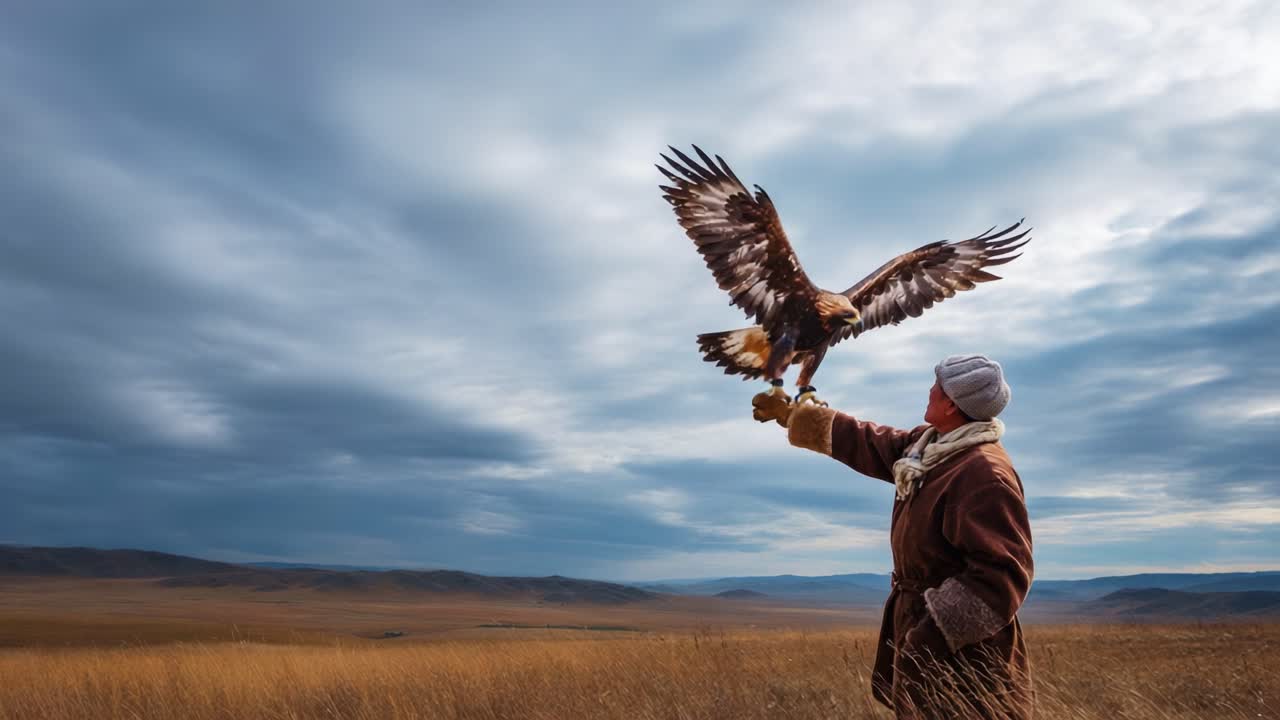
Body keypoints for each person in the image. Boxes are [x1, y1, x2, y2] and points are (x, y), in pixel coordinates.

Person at [751, 354, 1034, 719]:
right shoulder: (930, 449)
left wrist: (927, 640)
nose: (930, 389)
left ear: (951, 403)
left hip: (965, 655)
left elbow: (1000, 579)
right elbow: (872, 442)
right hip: (926, 632)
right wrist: (796, 417)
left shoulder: (982, 474)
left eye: (938, 386)